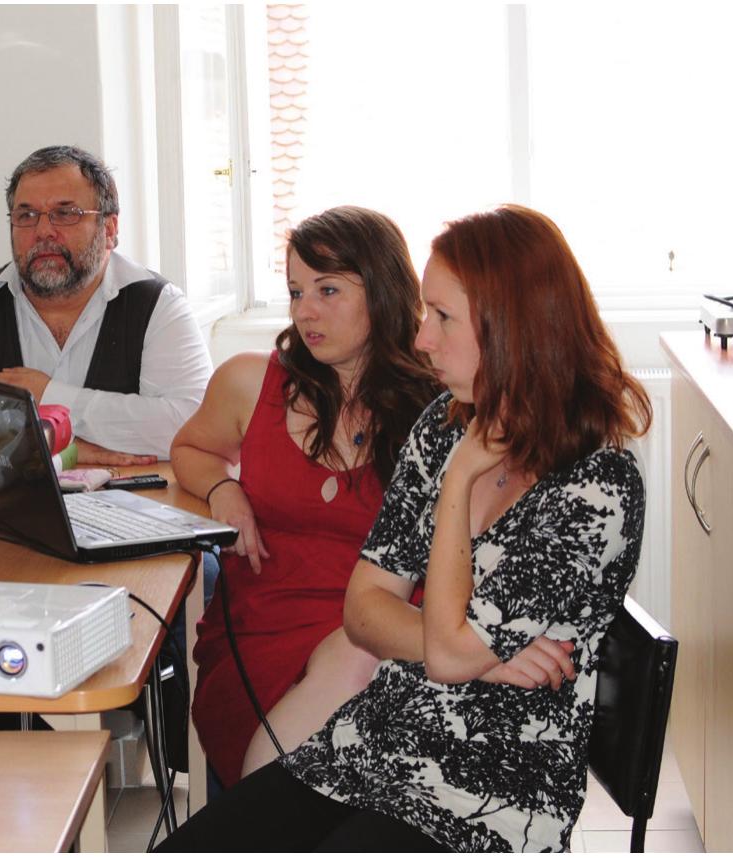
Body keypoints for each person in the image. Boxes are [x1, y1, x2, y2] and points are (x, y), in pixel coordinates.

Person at [158, 205, 651, 852]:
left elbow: (445, 652)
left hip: (483, 790)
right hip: (372, 741)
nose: (423, 338)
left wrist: (457, 484)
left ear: (511, 327)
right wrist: (468, 646)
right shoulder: (444, 428)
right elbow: (365, 613)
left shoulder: (596, 488)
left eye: (442, 317)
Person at [170, 207, 439, 793]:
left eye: (328, 289)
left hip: (382, 634)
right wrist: (223, 488)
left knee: (361, 655)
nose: (305, 311)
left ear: (386, 290)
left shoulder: (438, 404)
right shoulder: (250, 381)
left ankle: (249, 829)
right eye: (296, 292)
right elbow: (189, 448)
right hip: (260, 633)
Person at [0, 144, 213, 466]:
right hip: (9, 509)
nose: (43, 232)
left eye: (65, 214)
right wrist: (68, 447)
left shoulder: (158, 305)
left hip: (130, 505)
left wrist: (49, 396)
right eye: (26, 215)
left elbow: (189, 426)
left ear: (109, 229)